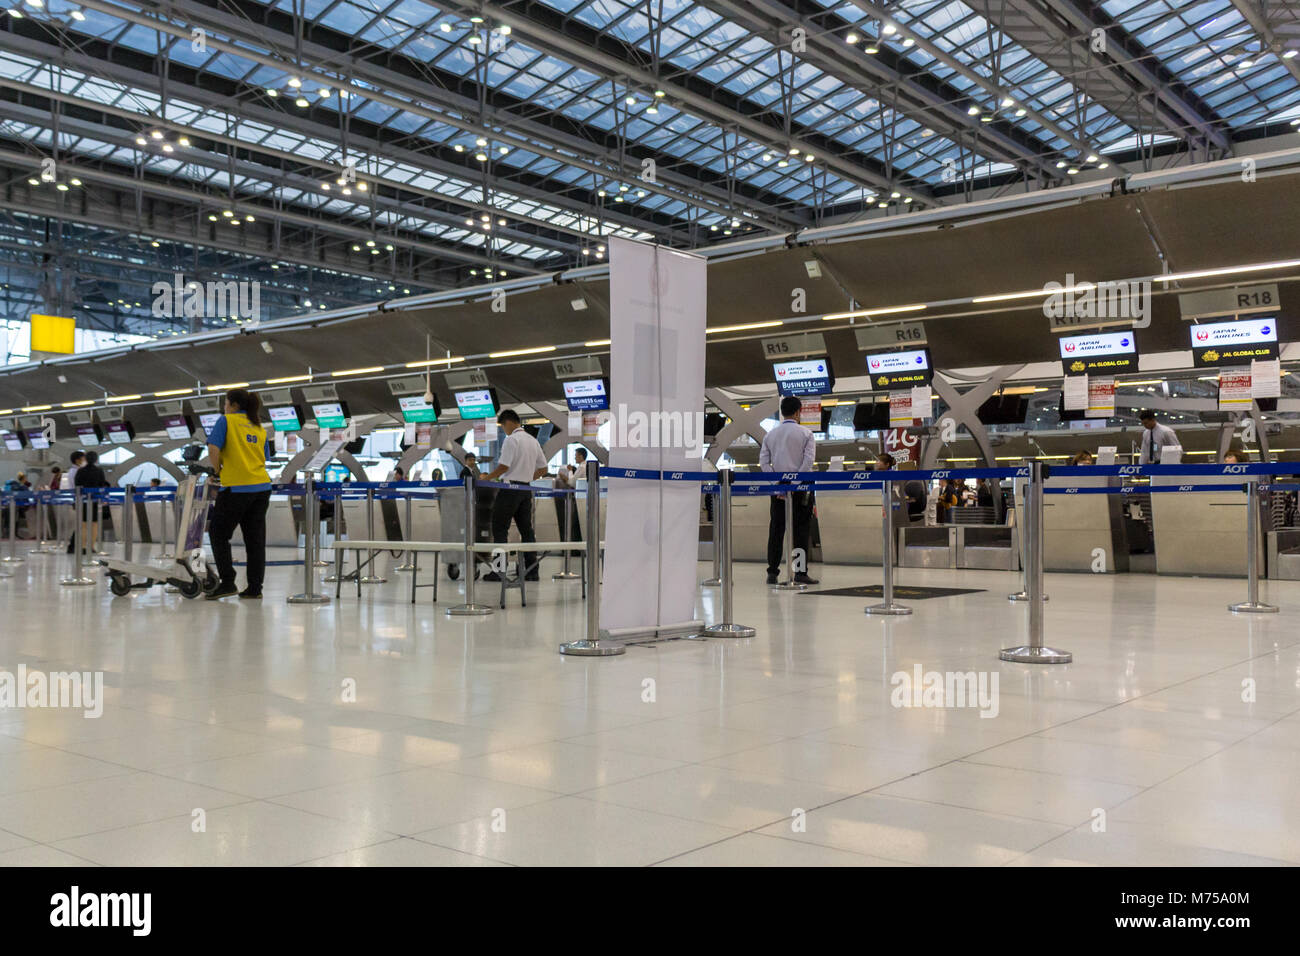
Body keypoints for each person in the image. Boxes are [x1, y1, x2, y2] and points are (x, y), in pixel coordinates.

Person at [205, 387, 272, 600]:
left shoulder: (226, 421)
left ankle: (227, 582)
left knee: (218, 533)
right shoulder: (259, 427)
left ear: (233, 405)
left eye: (226, 404)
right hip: (261, 487)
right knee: (255, 540)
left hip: (236, 487)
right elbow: (264, 457)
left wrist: (216, 472)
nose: (224, 408)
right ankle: (255, 588)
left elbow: (213, 448)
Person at [483, 410, 549, 582]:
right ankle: (532, 570)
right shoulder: (533, 441)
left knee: (499, 528)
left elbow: (503, 467)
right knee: (526, 530)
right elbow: (543, 469)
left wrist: (485, 479)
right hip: (525, 490)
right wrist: (527, 478)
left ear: (508, 422)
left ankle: (499, 571)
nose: (504, 429)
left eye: (503, 426)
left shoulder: (511, 439)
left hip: (510, 489)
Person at [759, 395, 818, 586]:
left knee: (776, 529)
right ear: (798, 412)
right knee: (800, 530)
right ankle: (799, 572)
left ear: (782, 412)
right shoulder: (806, 433)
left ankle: (772, 572)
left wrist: (779, 482)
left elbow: (763, 462)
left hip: (778, 490)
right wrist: (795, 482)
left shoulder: (770, 435)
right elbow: (808, 461)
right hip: (801, 489)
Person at [73, 450, 110, 554]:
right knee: (94, 524)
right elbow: (102, 484)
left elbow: (77, 484)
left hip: (84, 500)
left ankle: (83, 547)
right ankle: (91, 546)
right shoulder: (99, 471)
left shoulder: (80, 471)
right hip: (95, 500)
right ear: (96, 459)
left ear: (86, 459)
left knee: (84, 524)